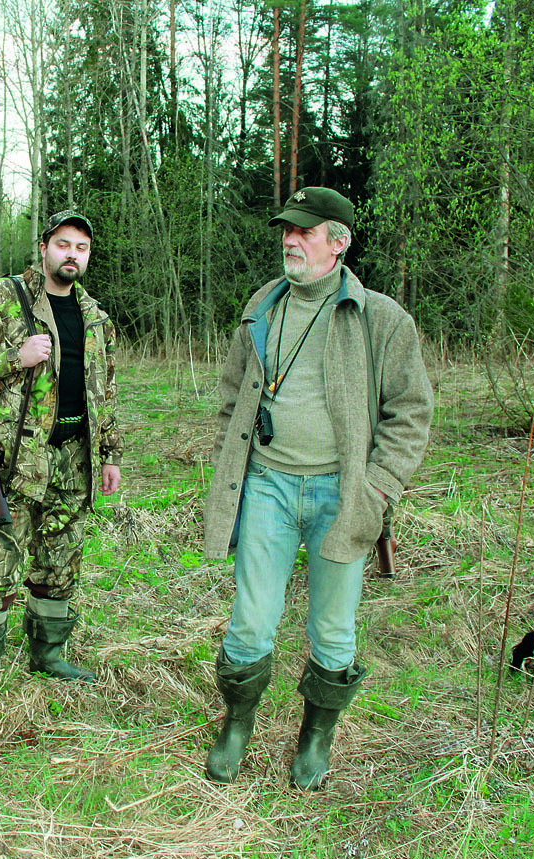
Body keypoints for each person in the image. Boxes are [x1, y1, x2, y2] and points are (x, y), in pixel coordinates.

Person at [201, 188, 433, 789]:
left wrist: (377, 490)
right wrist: (232, 463)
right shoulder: (261, 306)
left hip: (342, 494)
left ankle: (315, 738)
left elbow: (410, 413)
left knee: (333, 629)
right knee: (251, 620)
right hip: (268, 488)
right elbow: (232, 395)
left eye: (304, 231)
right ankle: (236, 725)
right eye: (287, 229)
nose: (290, 240)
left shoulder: (382, 319)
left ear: (339, 242)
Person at [0, 209, 123, 721]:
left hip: (73, 461)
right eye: (63, 244)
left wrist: (109, 454)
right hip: (12, 461)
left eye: (81, 248)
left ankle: (49, 654)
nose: (72, 255)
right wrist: (11, 357)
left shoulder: (95, 317)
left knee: (61, 563)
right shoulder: (1, 298)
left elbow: (105, 392)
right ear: (44, 247)